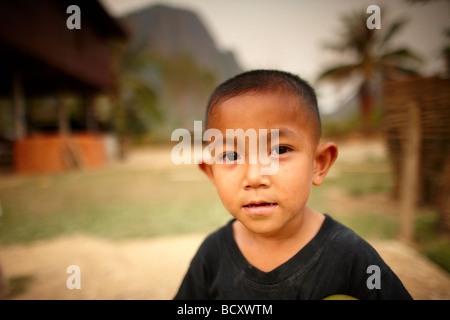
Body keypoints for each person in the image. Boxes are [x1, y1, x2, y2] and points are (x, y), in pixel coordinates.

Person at [174, 70, 412, 300]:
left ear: (318, 164)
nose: (255, 177)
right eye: (230, 156)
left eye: (279, 150)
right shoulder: (212, 255)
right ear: (211, 172)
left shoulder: (351, 257)